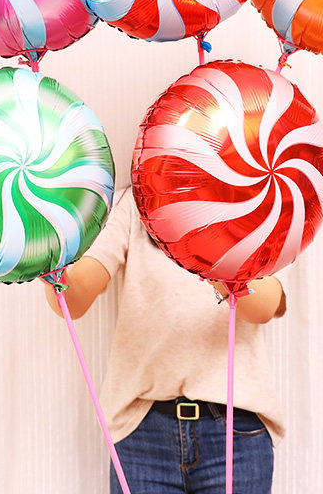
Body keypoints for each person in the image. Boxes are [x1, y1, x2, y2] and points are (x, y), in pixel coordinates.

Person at [42, 187, 287, 494]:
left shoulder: (252, 197)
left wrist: (195, 246)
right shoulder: (132, 205)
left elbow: (265, 306)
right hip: (143, 434)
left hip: (236, 430)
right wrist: (50, 259)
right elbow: (74, 300)